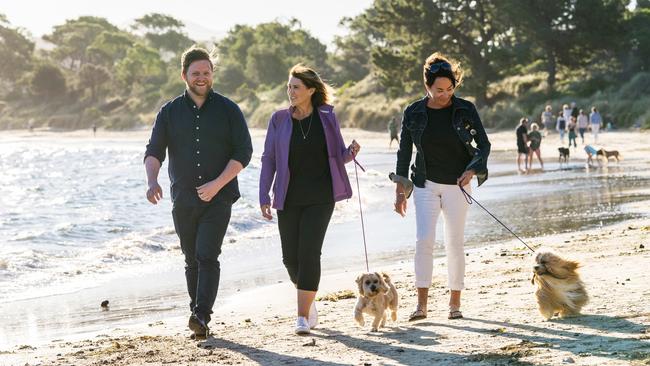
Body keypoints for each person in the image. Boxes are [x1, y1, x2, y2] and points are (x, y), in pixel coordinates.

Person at [144, 46, 253, 338]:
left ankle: (202, 315)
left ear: (212, 74)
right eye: (196, 73)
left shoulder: (229, 109)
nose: (201, 77)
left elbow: (244, 151)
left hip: (219, 197)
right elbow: (154, 151)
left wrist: (217, 183)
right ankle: (197, 315)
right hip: (183, 198)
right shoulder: (168, 112)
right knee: (191, 258)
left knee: (207, 255)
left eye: (206, 72)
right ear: (184, 76)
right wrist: (152, 181)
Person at [259, 64, 360, 335]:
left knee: (309, 253)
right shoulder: (278, 119)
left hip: (321, 196)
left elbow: (337, 154)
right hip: (287, 197)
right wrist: (263, 195)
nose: (290, 92)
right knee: (290, 258)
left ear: (311, 90)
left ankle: (302, 316)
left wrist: (350, 152)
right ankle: (309, 300)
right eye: (288, 87)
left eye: (296, 87)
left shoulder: (327, 116)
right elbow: (269, 158)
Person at [394, 52, 490, 321]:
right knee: (424, 240)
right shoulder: (413, 113)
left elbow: (484, 145)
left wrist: (472, 170)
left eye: (450, 89)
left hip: (457, 186)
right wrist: (400, 190)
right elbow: (404, 153)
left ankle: (454, 303)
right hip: (425, 184)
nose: (445, 94)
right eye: (439, 90)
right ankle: (421, 305)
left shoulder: (465, 109)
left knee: (454, 243)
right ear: (427, 86)